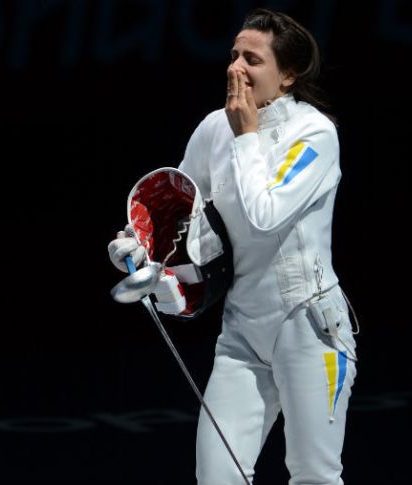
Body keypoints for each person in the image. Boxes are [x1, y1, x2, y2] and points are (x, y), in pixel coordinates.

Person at [107, 8, 359, 485]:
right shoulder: (212, 129)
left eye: (252, 59)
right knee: (217, 476)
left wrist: (246, 135)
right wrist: (137, 245)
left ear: (287, 75)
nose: (235, 68)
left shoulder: (316, 135)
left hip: (310, 327)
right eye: (233, 55)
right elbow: (180, 212)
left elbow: (265, 215)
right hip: (243, 331)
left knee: (314, 475)